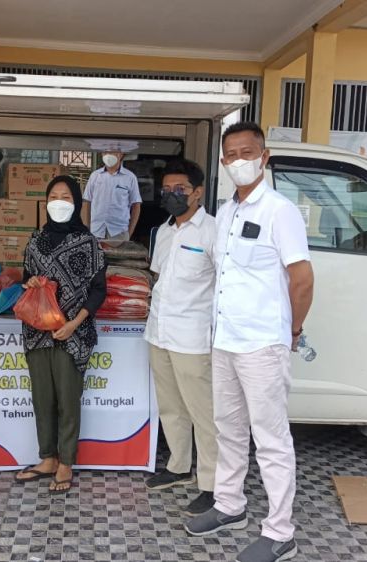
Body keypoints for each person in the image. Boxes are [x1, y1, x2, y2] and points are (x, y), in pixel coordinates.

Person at [185, 122, 314, 562]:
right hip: (225, 341)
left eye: (247, 152)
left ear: (265, 156)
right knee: (230, 429)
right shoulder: (226, 213)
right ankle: (230, 505)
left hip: (262, 344)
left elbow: (301, 280)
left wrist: (292, 331)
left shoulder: (280, 211)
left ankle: (280, 532)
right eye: (231, 154)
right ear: (223, 162)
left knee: (272, 438)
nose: (239, 160)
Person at [15, 175, 106, 494]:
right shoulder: (35, 240)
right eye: (54, 196)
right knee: (42, 399)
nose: (59, 202)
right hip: (37, 331)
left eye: (66, 197)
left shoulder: (89, 242)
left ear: (77, 203)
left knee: (68, 399)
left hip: (72, 333)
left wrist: (75, 323)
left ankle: (66, 461)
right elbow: (25, 277)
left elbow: (98, 291)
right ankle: (48, 458)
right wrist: (30, 284)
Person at [143, 158, 219, 516]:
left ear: (198, 193)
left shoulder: (213, 232)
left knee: (202, 413)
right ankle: (178, 467)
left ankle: (212, 484)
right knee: (171, 407)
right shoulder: (163, 231)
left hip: (192, 338)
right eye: (167, 190)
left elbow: (225, 288)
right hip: (159, 332)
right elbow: (158, 280)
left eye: (180, 190)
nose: (172, 195)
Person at [82, 150, 142, 240]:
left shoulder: (130, 177)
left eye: (112, 151)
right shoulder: (95, 176)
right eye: (105, 152)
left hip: (119, 232)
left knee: (118, 255)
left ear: (121, 154)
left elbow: (136, 206)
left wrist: (129, 233)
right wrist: (86, 228)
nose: (108, 155)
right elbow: (87, 202)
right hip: (96, 231)